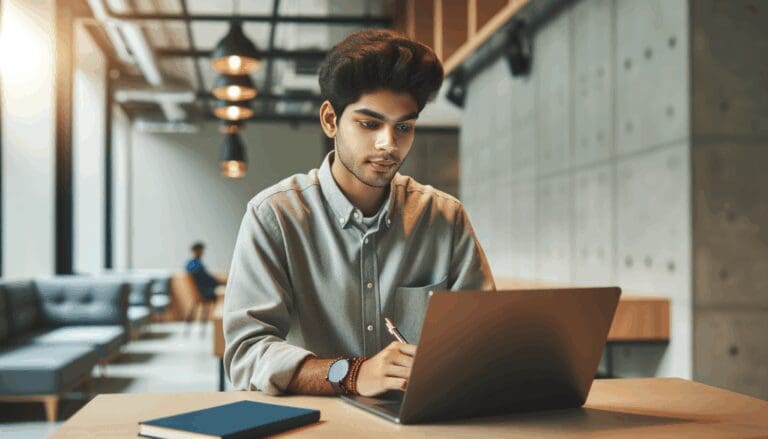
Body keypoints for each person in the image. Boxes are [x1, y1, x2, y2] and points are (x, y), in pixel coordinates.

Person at [224, 29, 494, 398]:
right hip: (318, 426)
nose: (389, 143)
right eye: (369, 124)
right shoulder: (273, 216)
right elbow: (247, 353)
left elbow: (485, 339)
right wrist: (351, 374)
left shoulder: (445, 218)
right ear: (330, 120)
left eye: (404, 127)